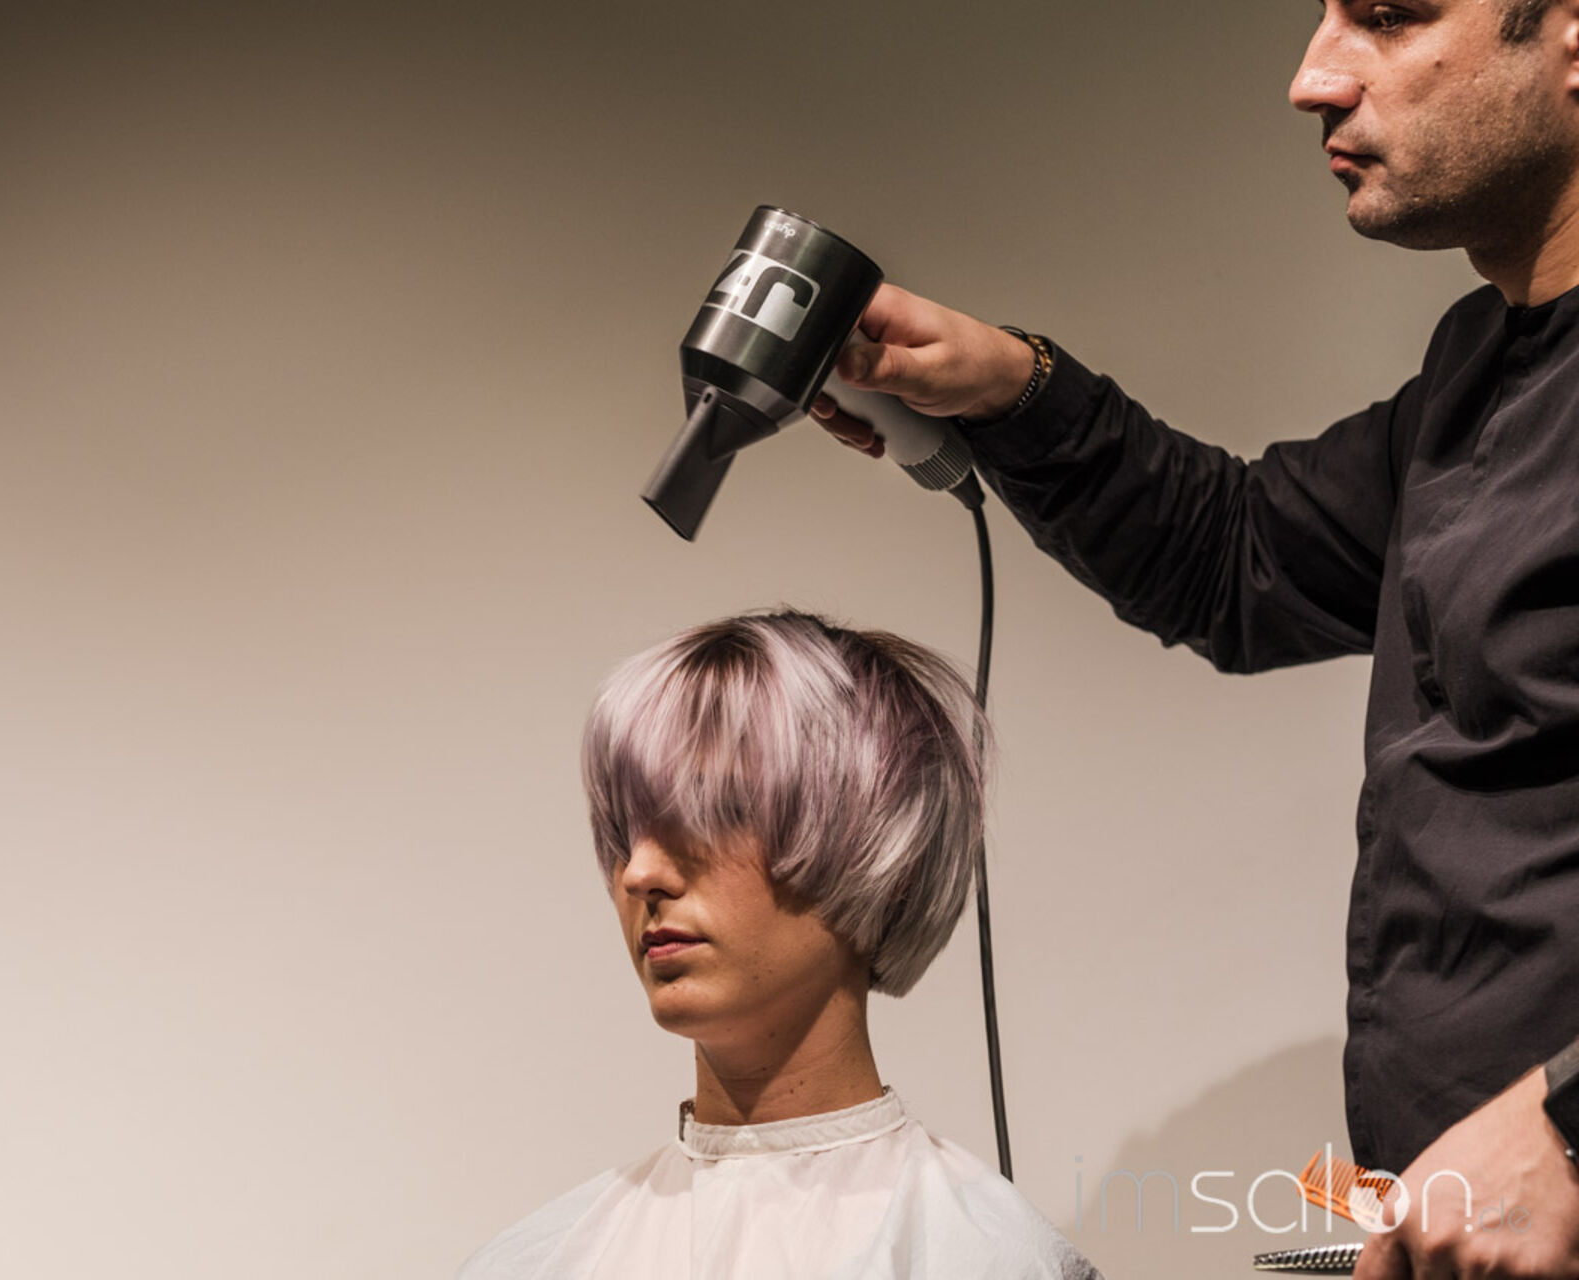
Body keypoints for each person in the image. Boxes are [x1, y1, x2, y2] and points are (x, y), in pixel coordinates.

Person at [809, 2, 1579, 1276]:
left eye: (1388, 16)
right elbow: (1237, 556)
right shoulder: (1477, 372)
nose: (1312, 77)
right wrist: (1002, 384)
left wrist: (1565, 1125)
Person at [456, 610, 1099, 1279]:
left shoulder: (992, 1261)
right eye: (624, 832)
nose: (638, 873)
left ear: (879, 852)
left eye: (714, 812)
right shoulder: (537, 1262)